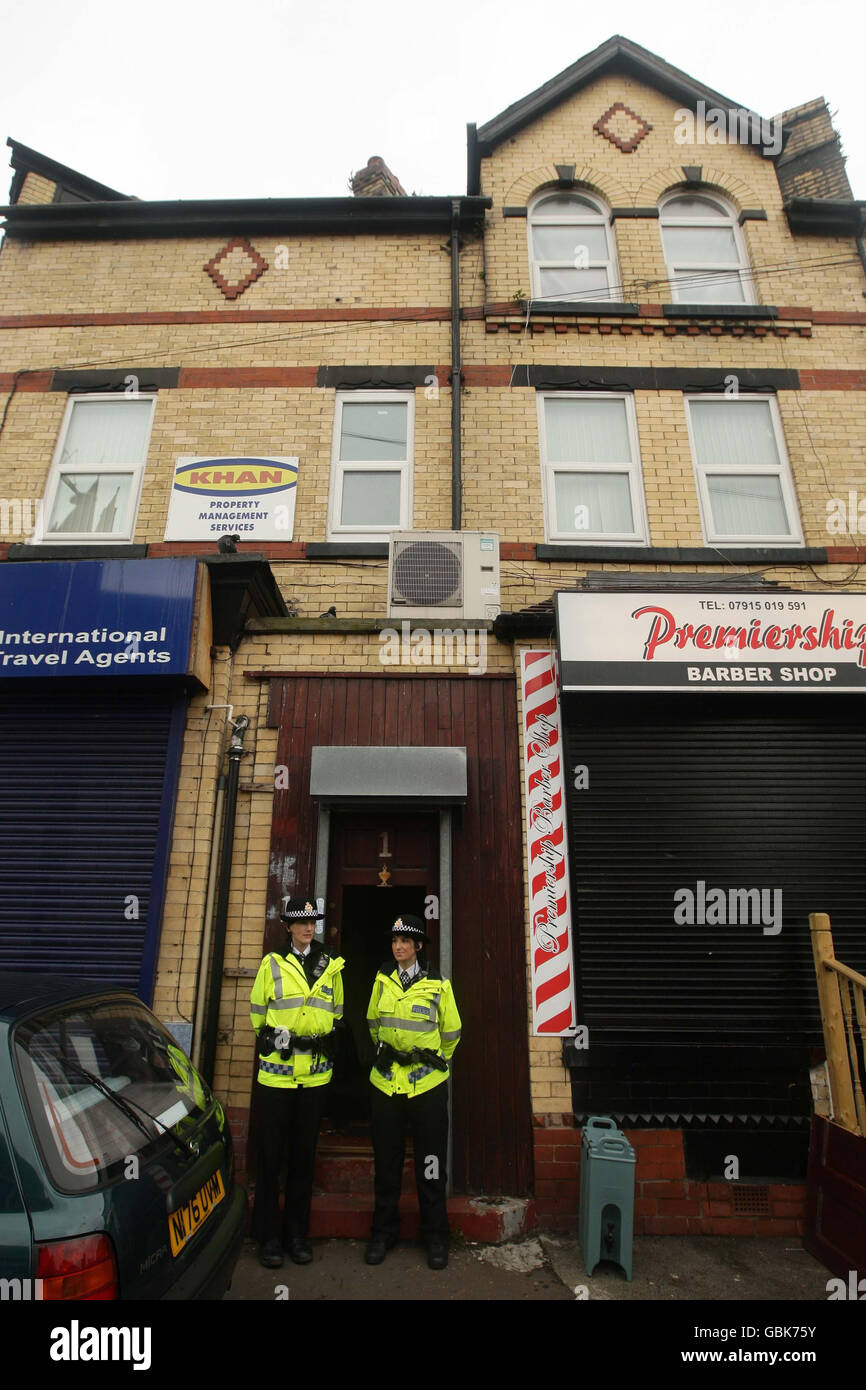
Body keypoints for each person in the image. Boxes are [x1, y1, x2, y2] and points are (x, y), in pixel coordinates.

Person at [249, 896, 345, 1267]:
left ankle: (296, 1235)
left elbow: (337, 1014)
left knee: (304, 1158)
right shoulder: (272, 963)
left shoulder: (331, 965)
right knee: (271, 1158)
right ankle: (269, 1237)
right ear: (287, 926)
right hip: (277, 1077)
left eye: (313, 922)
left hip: (315, 1076)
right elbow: (258, 1015)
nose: (308, 928)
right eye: (301, 922)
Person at [364, 913, 461, 1270]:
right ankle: (382, 1232)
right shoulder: (382, 979)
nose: (398, 946)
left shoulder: (438, 984)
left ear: (418, 946)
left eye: (405, 941)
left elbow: (451, 1033)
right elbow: (372, 1022)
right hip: (386, 1083)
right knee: (386, 1163)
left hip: (427, 1086)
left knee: (431, 1164)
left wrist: (433, 1062)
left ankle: (435, 1236)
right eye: (394, 941)